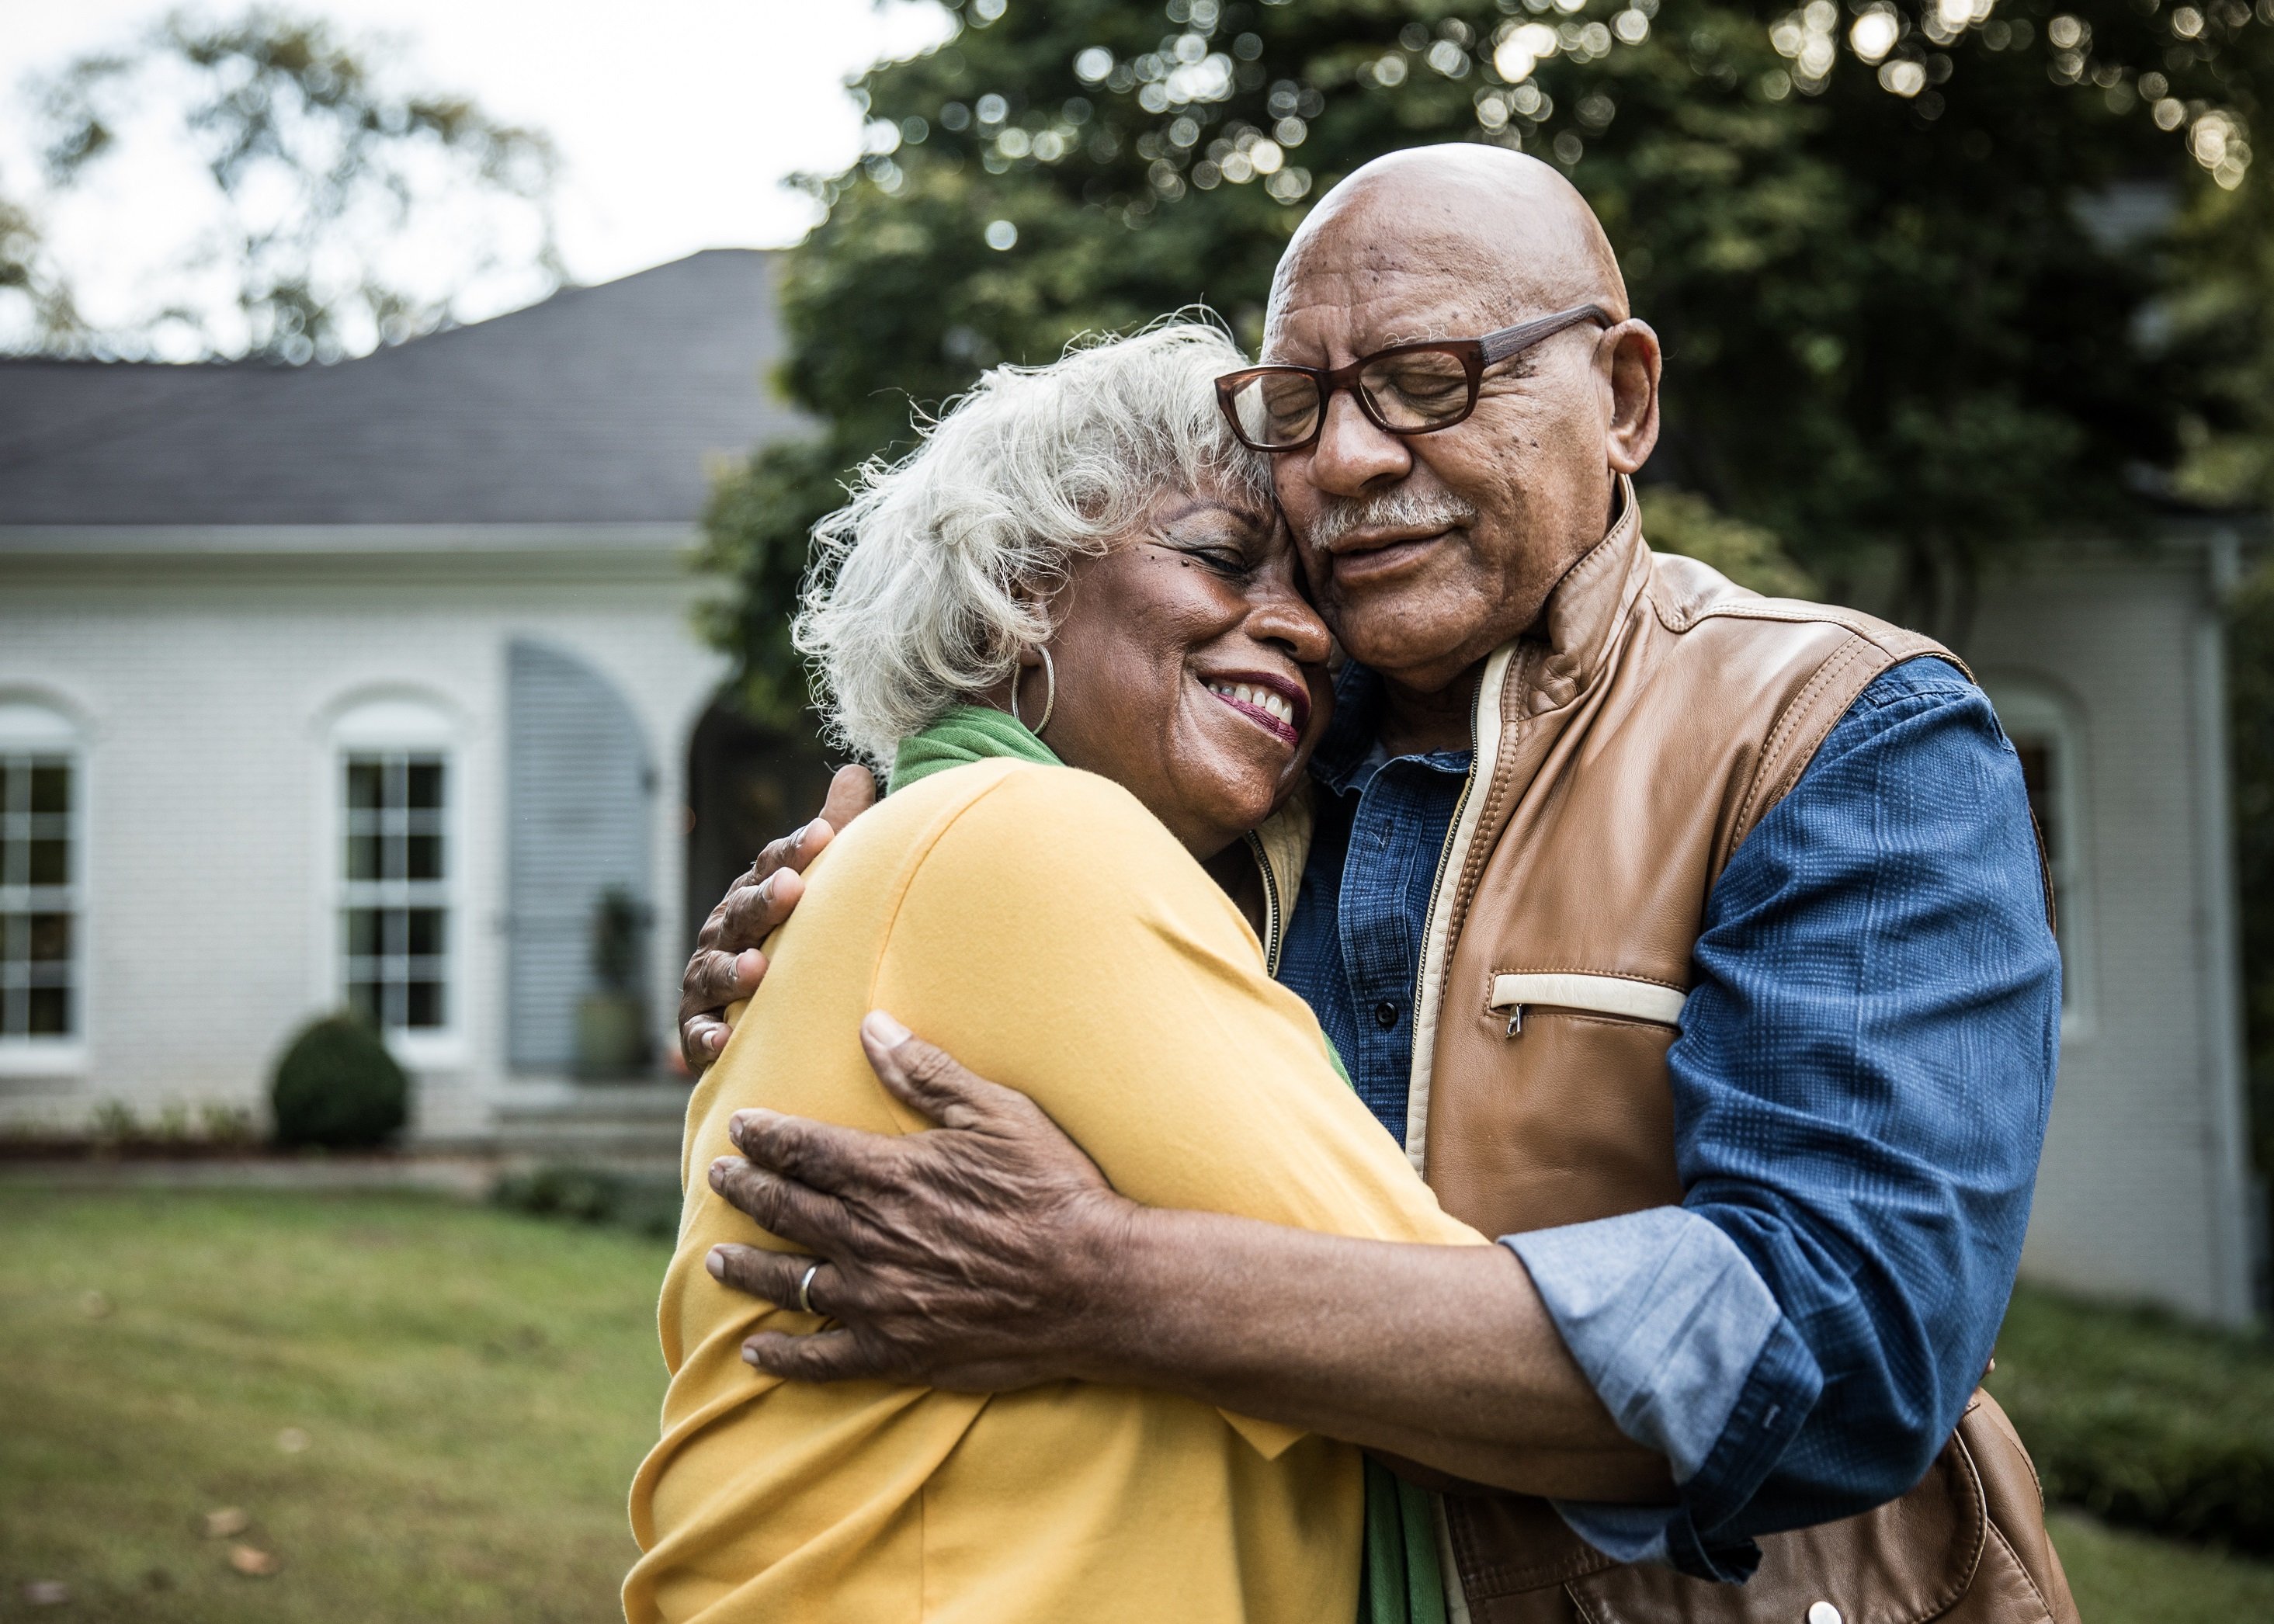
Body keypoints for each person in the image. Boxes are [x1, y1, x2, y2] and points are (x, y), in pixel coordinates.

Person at [679, 145, 2078, 1618]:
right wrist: (826, 929)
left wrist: (1106, 1284)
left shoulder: (1832, 729)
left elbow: (1842, 1346)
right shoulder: (1221, 767)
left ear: (1622, 398)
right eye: (1299, 404)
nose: (1341, 460)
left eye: (1426, 380)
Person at [624, 321, 1597, 1624]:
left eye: (1310, 593)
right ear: (1019, 588)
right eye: (1219, 557)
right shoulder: (1028, 836)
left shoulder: (916, 855)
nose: (1305, 631)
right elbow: (1503, 1382)